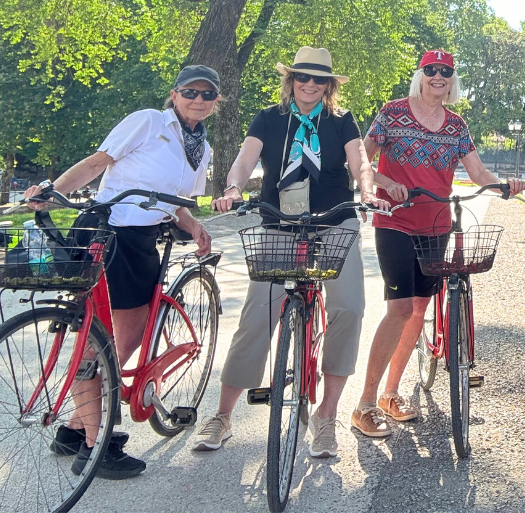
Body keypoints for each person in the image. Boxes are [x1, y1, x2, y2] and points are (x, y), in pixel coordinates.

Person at [26, 64, 219, 479]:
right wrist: (54, 190)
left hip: (141, 241)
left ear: (216, 101)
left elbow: (175, 202)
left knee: (117, 337)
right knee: (99, 342)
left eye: (207, 94)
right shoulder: (149, 122)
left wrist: (193, 225)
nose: (198, 100)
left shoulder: (202, 148)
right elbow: (97, 164)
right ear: (174, 94)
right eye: (190, 92)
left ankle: (76, 429)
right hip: (110, 233)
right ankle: (96, 448)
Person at [196, 48, 384, 460]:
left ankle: (326, 415)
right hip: (279, 221)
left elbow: (360, 162)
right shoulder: (268, 118)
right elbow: (244, 160)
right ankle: (223, 415)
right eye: (303, 77)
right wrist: (232, 188)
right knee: (258, 313)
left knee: (349, 307)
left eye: (319, 79)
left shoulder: (342, 120)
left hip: (334, 221)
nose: (310, 84)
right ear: (291, 80)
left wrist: (368, 191)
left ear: (328, 85)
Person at [353, 50, 523, 437]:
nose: (438, 76)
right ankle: (364, 402)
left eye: (445, 71)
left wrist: (503, 186)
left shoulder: (456, 126)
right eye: (431, 70)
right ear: (421, 75)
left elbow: (477, 172)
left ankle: (390, 394)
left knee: (418, 310)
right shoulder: (393, 112)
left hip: (436, 225)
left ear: (452, 80)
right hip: (395, 221)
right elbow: (362, 159)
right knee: (399, 308)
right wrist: (384, 184)